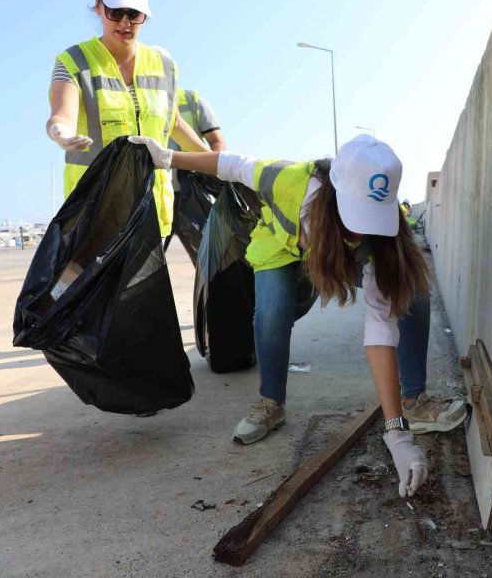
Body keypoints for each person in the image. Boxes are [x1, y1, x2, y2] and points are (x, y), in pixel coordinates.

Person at [130, 133, 467, 498]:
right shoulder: (285, 180)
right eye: (356, 214)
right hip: (280, 248)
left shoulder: (381, 233)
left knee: (411, 290)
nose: (362, 228)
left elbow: (380, 329)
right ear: (334, 192)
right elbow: (229, 164)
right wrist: (169, 158)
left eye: (372, 217)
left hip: (332, 253)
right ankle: (271, 404)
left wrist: (396, 432)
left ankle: (412, 404)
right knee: (271, 313)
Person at [45, 0, 209, 239]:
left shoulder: (164, 64)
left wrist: (218, 164)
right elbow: (61, 116)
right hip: (95, 216)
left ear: (145, 14)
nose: (124, 22)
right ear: (98, 7)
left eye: (133, 14)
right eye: (115, 11)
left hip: (151, 212)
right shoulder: (74, 61)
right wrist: (60, 133)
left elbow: (174, 123)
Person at [163, 88, 227, 256]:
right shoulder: (141, 98)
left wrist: (205, 170)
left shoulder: (192, 100)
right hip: (158, 193)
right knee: (142, 264)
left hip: (193, 196)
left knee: (206, 258)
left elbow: (217, 142)